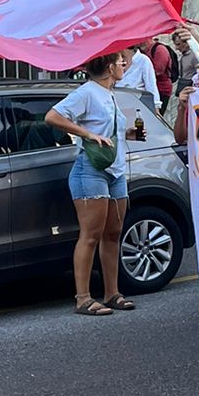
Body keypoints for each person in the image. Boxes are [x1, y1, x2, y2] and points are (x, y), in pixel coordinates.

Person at [45, 51, 134, 318]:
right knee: (91, 235)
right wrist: (87, 134)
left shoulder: (109, 94)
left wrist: (126, 133)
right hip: (90, 171)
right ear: (109, 67)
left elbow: (105, 128)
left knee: (113, 233)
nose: (124, 64)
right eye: (120, 62)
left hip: (115, 171)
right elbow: (52, 117)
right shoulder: (87, 92)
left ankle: (112, 293)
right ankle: (83, 298)